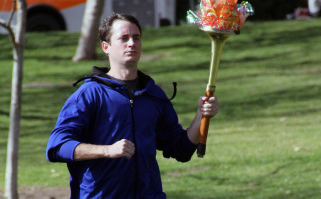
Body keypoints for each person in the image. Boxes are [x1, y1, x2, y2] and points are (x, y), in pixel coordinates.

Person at [46, 13, 219, 198]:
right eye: (124, 38)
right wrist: (107, 150)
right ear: (106, 47)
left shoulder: (153, 94)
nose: (131, 43)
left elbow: (181, 149)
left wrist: (201, 115)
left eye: (136, 38)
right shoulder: (89, 94)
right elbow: (57, 147)